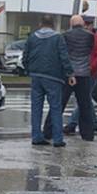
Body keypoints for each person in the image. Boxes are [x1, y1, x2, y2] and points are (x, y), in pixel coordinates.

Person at [22, 15, 75, 147]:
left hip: (36, 76)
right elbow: (64, 57)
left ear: (40, 23)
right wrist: (70, 74)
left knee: (36, 108)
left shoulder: (32, 37)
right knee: (55, 108)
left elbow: (25, 56)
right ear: (53, 24)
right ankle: (57, 139)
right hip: (53, 77)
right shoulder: (58, 38)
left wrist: (29, 69)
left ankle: (36, 136)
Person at [43, 15, 96, 142]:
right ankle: (88, 134)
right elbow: (90, 51)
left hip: (68, 75)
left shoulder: (65, 35)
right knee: (85, 105)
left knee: (59, 104)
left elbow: (62, 54)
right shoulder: (90, 36)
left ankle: (48, 131)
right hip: (83, 74)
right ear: (82, 24)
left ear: (71, 24)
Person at [64, 16, 97, 134]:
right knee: (86, 99)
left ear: (92, 25)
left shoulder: (96, 38)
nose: (86, 26)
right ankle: (94, 123)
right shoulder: (84, 37)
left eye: (88, 24)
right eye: (85, 24)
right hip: (83, 72)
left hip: (90, 74)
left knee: (83, 100)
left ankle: (72, 123)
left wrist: (90, 67)